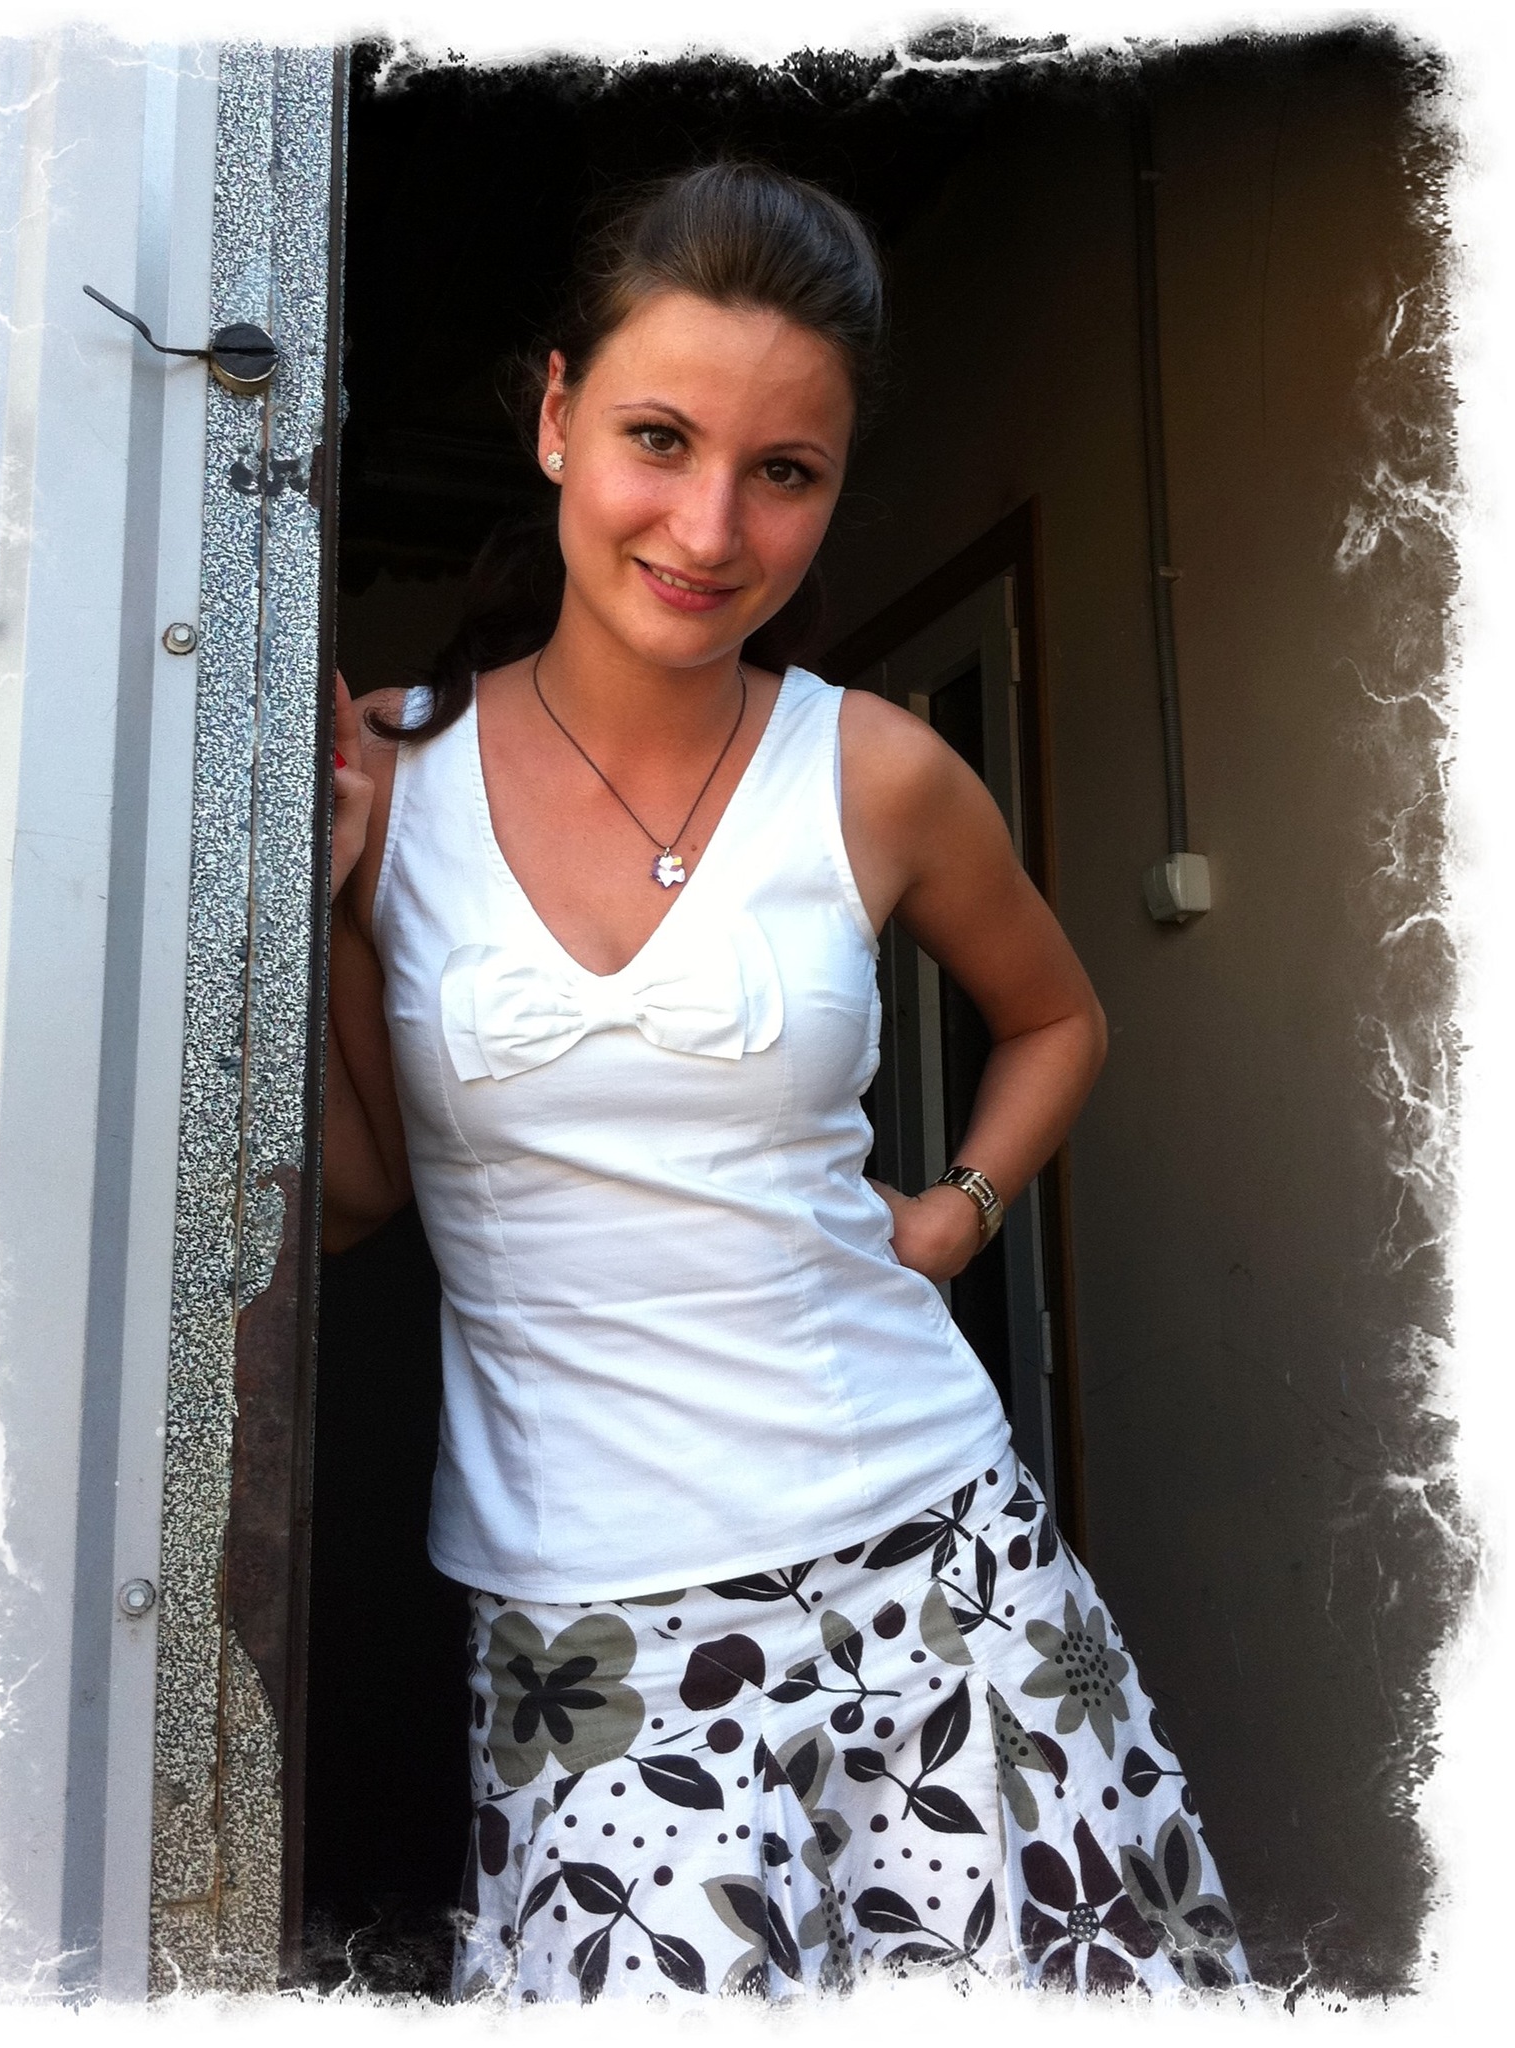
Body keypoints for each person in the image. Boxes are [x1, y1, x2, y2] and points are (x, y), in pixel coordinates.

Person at [324, 160, 1248, 2005]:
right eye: (659, 439)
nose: (710, 526)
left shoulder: (878, 772)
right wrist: (327, 911)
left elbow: (1059, 1017)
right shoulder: (391, 781)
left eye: (786, 472)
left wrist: (956, 1216)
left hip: (938, 1561)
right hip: (590, 1614)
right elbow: (359, 1194)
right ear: (558, 419)